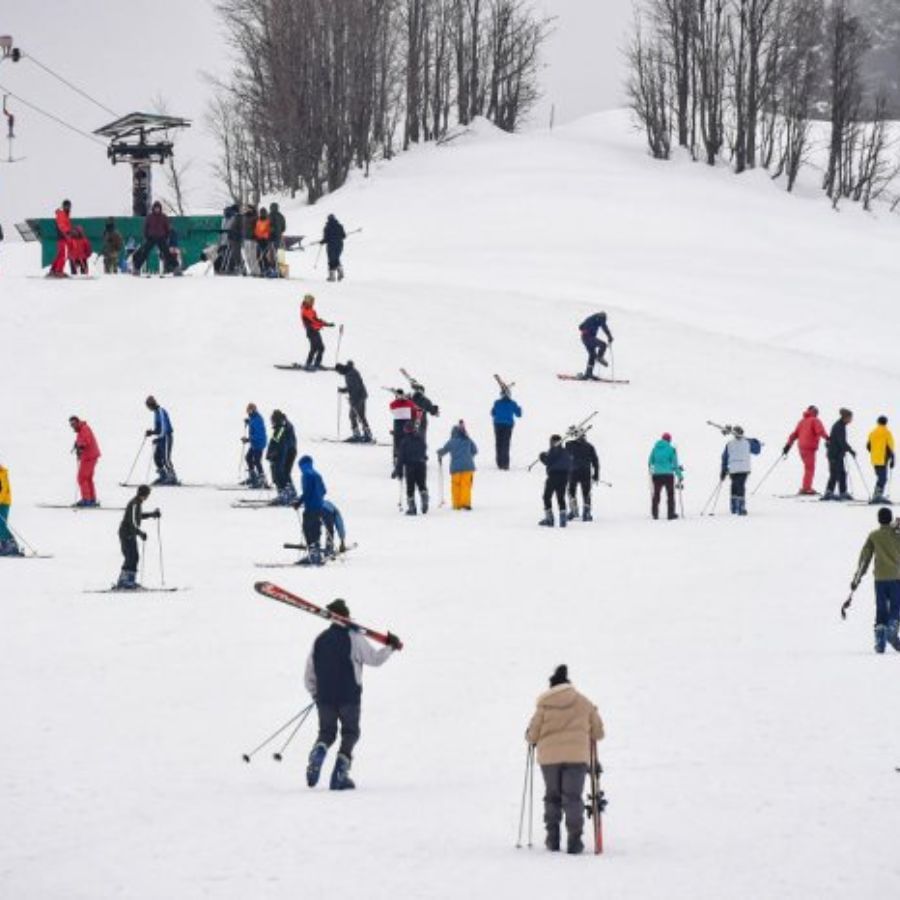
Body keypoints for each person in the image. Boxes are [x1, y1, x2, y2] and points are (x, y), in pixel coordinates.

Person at [304, 598, 400, 791]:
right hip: (349, 698)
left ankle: (318, 752)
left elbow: (310, 672)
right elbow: (374, 659)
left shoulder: (319, 639)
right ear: (347, 618)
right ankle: (339, 775)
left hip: (325, 699)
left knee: (326, 733)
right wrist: (390, 647)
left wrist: (316, 694)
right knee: (350, 733)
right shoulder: (355, 638)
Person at [525, 665, 605, 855]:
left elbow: (533, 735)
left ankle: (552, 840)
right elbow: (599, 733)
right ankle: (575, 841)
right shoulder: (584, 703)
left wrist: (529, 736)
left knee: (552, 796)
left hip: (549, 759)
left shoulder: (544, 705)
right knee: (573, 798)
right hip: (577, 757)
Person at [851, 507, 900, 653]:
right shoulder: (897, 535)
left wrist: (856, 579)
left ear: (879, 520)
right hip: (896, 578)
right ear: (891, 519)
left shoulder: (874, 536)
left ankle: (880, 640)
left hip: (879, 579)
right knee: (896, 607)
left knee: (880, 608)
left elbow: (865, 559)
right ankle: (892, 627)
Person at [116, 485, 160, 589]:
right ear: (144, 495)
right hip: (126, 533)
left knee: (134, 557)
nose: (148, 497)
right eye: (148, 494)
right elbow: (133, 522)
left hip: (131, 534)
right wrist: (140, 533)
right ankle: (123, 581)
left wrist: (152, 514)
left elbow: (138, 516)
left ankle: (130, 581)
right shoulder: (135, 504)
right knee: (130, 557)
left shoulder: (137, 503)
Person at [782, 405, 829, 496]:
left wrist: (787, 446)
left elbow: (794, 435)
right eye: (816, 411)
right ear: (814, 412)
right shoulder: (815, 420)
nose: (817, 413)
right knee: (810, 468)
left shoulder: (802, 422)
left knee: (808, 468)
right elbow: (820, 431)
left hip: (801, 448)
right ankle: (806, 488)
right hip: (810, 447)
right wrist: (828, 438)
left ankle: (806, 487)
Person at [293, 455, 328, 566]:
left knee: (307, 528)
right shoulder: (317, 474)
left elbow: (307, 492)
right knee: (316, 528)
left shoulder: (306, 475)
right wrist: (319, 499)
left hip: (311, 507)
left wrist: (298, 503)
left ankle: (312, 554)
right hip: (320, 506)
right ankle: (316, 552)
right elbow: (324, 490)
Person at [720, 426, 761, 515]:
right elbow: (757, 450)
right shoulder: (747, 442)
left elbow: (724, 458)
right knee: (739, 485)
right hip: (742, 469)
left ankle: (734, 505)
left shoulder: (730, 444)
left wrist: (724, 469)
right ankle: (740, 506)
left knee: (735, 485)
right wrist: (755, 441)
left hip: (735, 469)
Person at [437, 421, 478, 510]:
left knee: (456, 485)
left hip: (455, 468)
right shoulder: (468, 439)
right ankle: (465, 503)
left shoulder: (451, 442)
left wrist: (439, 453)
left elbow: (443, 451)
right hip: (468, 467)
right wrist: (468, 456)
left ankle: (456, 504)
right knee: (466, 485)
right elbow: (475, 450)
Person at [131, 201, 180, 275]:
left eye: (158, 208)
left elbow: (167, 228)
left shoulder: (163, 217)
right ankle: (136, 269)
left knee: (167, 253)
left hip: (161, 238)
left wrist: (166, 237)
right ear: (153, 208)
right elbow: (145, 228)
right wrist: (147, 236)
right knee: (144, 253)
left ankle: (176, 268)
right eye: (156, 208)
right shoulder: (149, 217)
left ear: (160, 209)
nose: (157, 209)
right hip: (151, 238)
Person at [565, 429, 599, 522]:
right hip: (585, 472)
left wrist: (570, 434)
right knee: (586, 492)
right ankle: (586, 513)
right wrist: (596, 474)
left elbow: (566, 448)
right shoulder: (589, 446)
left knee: (571, 491)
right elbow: (595, 461)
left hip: (573, 472)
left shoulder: (569, 445)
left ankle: (574, 511)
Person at [335, 361, 373, 443]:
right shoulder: (351, 371)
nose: (340, 374)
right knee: (361, 415)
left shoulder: (350, 374)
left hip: (358, 397)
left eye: (339, 372)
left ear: (341, 369)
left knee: (352, 415)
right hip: (362, 396)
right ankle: (367, 434)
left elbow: (355, 388)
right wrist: (343, 390)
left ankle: (357, 435)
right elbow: (352, 387)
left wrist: (353, 401)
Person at [648, 432, 683, 521]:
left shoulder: (655, 449)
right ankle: (670, 514)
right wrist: (679, 475)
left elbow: (650, 462)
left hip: (656, 475)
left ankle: (655, 513)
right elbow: (675, 464)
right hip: (668, 475)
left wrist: (652, 472)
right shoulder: (671, 449)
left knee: (656, 494)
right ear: (669, 440)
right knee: (670, 495)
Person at [823, 408, 856, 502]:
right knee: (834, 473)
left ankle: (843, 492)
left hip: (839, 454)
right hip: (834, 454)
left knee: (842, 473)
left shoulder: (842, 425)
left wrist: (849, 450)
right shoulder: (838, 426)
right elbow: (841, 441)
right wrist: (850, 450)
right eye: (850, 418)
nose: (851, 420)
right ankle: (829, 492)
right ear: (845, 417)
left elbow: (842, 442)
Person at [539, 435, 572, 527]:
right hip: (564, 477)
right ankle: (563, 519)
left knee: (547, 496)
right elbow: (569, 463)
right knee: (560, 497)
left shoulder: (553, 451)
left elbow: (547, 461)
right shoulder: (565, 452)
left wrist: (542, 456)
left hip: (553, 476)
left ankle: (549, 519)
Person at [266, 409, 298, 504]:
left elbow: (278, 443)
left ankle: (285, 493)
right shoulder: (283, 425)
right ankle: (290, 492)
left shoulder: (281, 428)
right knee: (285, 472)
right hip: (288, 451)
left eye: (272, 420)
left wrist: (272, 454)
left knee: (279, 472)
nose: (271, 422)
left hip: (285, 452)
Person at [397, 422, 429, 515]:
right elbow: (424, 449)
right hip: (421, 465)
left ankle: (412, 508)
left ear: (406, 430)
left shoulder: (404, 442)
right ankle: (424, 497)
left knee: (410, 488)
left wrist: (398, 471)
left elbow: (401, 458)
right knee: (422, 484)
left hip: (410, 467)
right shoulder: (420, 439)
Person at [145, 396, 177, 485]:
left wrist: (158, 437)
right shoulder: (155, 413)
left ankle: (172, 477)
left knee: (166, 458)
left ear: (152, 405)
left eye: (148, 406)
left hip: (166, 437)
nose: (148, 408)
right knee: (157, 457)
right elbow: (158, 429)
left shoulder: (161, 411)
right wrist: (151, 432)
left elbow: (164, 428)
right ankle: (163, 476)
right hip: (161, 438)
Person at [69, 416, 101, 507]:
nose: (73, 426)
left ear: (78, 422)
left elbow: (86, 440)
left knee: (82, 478)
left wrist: (80, 447)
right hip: (91, 456)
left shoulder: (84, 429)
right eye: (71, 424)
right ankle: (91, 499)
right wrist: (78, 445)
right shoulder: (82, 429)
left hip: (89, 457)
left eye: (74, 423)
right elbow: (83, 440)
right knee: (88, 478)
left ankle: (86, 500)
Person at [390, 390, 421, 474]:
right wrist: (417, 422)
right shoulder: (408, 403)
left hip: (399, 426)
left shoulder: (393, 404)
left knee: (398, 447)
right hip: (405, 425)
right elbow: (419, 410)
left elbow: (392, 408)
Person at [491, 386, 522, 470]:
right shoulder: (512, 403)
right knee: (506, 444)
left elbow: (493, 413)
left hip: (497, 424)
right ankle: (505, 464)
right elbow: (519, 414)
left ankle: (499, 463)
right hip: (508, 425)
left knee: (499, 443)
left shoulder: (497, 402)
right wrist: (519, 408)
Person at [301, 295, 334, 370]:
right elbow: (314, 321)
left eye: (313, 301)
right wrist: (325, 324)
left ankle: (317, 364)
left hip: (315, 331)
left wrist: (325, 323)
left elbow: (316, 319)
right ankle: (308, 364)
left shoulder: (311, 310)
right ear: (307, 301)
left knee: (321, 348)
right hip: (311, 331)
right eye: (311, 301)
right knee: (314, 348)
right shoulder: (305, 310)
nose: (313, 303)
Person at [866, 416, 895, 503]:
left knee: (880, 477)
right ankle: (877, 496)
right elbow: (891, 446)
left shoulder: (872, 432)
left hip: (874, 458)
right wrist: (893, 459)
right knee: (883, 478)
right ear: (886, 422)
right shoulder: (887, 433)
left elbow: (868, 446)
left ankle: (877, 494)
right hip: (883, 458)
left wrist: (875, 452)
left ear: (878, 422)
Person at [579, 312, 613, 381]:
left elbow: (604, 327)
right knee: (603, 345)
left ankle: (588, 373)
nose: (603, 322)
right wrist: (585, 329)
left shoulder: (598, 319)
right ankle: (599, 357)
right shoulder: (592, 319)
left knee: (592, 355)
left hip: (587, 338)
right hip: (587, 338)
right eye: (603, 320)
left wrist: (609, 336)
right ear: (600, 318)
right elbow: (580, 326)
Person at [242, 403, 269, 488]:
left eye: (249, 410)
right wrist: (248, 422)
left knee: (257, 461)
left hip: (259, 443)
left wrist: (248, 440)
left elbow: (258, 434)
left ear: (253, 410)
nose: (248, 412)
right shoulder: (253, 418)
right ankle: (253, 477)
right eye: (247, 411)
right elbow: (253, 423)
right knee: (248, 458)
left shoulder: (257, 419)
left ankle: (262, 480)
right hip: (254, 443)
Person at [0, 462, 23, 556]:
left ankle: (12, 545)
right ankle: (4, 545)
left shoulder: (2, 474)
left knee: (1, 524)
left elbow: (3, 491)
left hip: (4, 503)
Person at [48, 199, 72, 278]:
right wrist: (67, 232)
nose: (68, 207)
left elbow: (64, 225)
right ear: (63, 206)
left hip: (63, 237)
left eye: (69, 206)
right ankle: (59, 271)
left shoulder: (65, 214)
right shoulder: (62, 214)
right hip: (63, 237)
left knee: (60, 255)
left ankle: (53, 270)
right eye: (67, 206)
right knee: (63, 255)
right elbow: (61, 225)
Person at [323, 214, 346, 282]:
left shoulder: (327, 227)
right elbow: (343, 236)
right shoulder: (340, 226)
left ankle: (332, 276)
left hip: (331, 245)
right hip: (339, 245)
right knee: (336, 258)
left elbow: (326, 239)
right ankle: (340, 270)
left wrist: (322, 242)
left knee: (331, 259)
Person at [254, 207, 275, 277]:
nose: (262, 214)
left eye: (263, 213)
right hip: (259, 240)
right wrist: (256, 236)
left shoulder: (268, 221)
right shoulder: (258, 221)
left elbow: (270, 231)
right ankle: (263, 270)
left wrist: (268, 237)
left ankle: (268, 269)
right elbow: (256, 230)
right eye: (261, 213)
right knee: (258, 256)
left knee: (264, 256)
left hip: (265, 240)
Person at [242, 205, 259, 276]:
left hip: (252, 239)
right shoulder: (244, 217)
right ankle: (251, 270)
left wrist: (255, 235)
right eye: (245, 209)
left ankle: (256, 271)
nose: (245, 210)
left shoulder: (255, 217)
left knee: (253, 256)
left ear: (251, 209)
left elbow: (257, 228)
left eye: (247, 208)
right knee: (247, 256)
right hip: (246, 238)